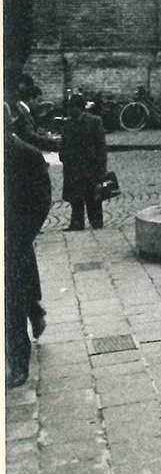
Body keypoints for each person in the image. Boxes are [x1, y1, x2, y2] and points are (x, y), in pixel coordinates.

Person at [4, 103, 52, 388]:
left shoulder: (26, 155)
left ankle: (18, 364)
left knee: (10, 302)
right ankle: (35, 311)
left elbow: (42, 200)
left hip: (14, 238)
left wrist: (24, 233)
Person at [59, 93, 107, 230]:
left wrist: (101, 169)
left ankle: (96, 222)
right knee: (75, 198)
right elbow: (63, 143)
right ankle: (76, 222)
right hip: (73, 168)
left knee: (93, 197)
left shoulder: (94, 121)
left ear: (80, 108)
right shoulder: (68, 124)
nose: (70, 111)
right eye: (69, 108)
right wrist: (63, 156)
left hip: (90, 167)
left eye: (72, 108)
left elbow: (101, 147)